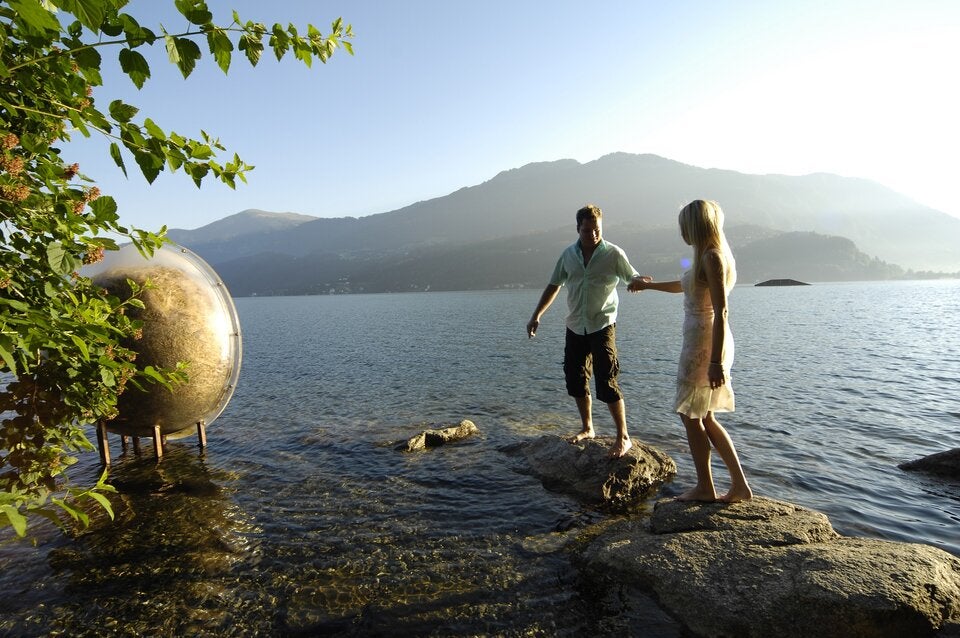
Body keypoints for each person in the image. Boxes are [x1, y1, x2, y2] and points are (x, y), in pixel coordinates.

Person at [629, 199, 752, 502]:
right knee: (704, 417)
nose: (681, 230)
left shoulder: (712, 257)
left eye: (684, 225)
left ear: (695, 226)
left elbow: (722, 311)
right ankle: (738, 486)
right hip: (702, 339)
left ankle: (706, 488)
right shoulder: (706, 256)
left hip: (704, 342)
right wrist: (649, 286)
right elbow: (686, 285)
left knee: (690, 415)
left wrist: (716, 363)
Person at [527, 204, 650, 458]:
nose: (593, 235)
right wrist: (536, 315)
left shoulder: (613, 254)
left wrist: (639, 282)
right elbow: (554, 285)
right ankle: (588, 428)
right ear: (577, 229)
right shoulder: (568, 255)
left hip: (602, 324)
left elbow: (631, 276)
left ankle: (623, 437)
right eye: (587, 230)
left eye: (596, 229)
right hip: (574, 325)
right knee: (575, 378)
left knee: (607, 380)